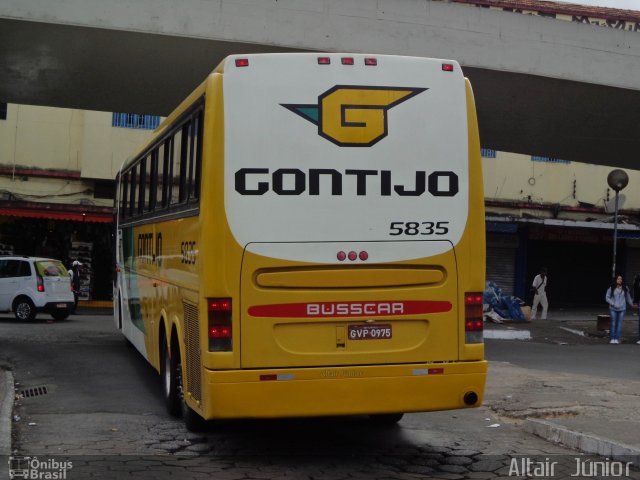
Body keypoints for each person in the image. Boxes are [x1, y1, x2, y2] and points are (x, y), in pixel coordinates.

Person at [605, 274, 633, 344]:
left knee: (619, 324)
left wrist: (632, 304)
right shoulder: (611, 288)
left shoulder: (625, 288)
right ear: (615, 280)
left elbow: (628, 297)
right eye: (618, 279)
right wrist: (613, 303)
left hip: (622, 309)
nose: (620, 280)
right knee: (613, 323)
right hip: (613, 309)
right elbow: (607, 297)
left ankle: (617, 338)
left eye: (621, 279)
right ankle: (612, 338)